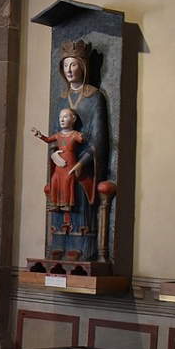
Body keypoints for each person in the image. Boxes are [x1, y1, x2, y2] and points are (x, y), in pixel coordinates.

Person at [47, 40, 107, 261]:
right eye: (65, 66)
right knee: (58, 186)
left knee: (78, 188)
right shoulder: (62, 99)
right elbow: (55, 133)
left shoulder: (94, 97)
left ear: (83, 65)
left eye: (73, 65)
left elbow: (98, 138)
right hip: (62, 160)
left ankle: (80, 245)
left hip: (84, 161)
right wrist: (53, 154)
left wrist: (83, 163)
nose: (69, 70)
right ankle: (59, 243)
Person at [32, 108, 94, 215]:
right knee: (55, 179)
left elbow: (83, 141)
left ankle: (67, 203)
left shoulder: (74, 134)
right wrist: (39, 135)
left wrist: (83, 136)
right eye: (60, 117)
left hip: (70, 162)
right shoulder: (58, 135)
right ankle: (55, 203)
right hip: (59, 164)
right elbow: (48, 140)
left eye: (65, 117)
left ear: (73, 119)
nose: (62, 119)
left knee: (68, 179)